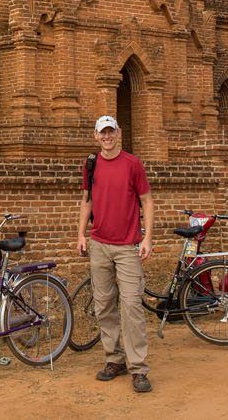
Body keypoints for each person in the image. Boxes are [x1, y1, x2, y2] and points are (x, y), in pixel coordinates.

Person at [76, 114, 154, 394]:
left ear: (118, 133)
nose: (107, 137)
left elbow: (146, 200)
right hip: (99, 243)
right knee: (104, 304)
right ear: (96, 136)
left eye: (111, 132)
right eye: (102, 133)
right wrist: (81, 234)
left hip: (127, 246)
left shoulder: (133, 164)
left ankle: (139, 367)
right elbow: (87, 201)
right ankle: (114, 358)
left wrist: (147, 238)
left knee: (132, 306)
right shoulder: (91, 164)